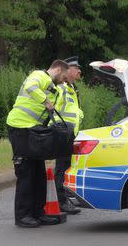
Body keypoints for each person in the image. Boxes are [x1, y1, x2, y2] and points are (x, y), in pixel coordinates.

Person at [6, 60, 69, 228]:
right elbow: (30, 87)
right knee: (26, 172)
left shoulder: (53, 88)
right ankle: (23, 216)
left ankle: (38, 213)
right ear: (57, 69)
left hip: (32, 130)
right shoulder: (39, 76)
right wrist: (45, 101)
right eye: (63, 76)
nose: (64, 80)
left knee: (39, 174)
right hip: (19, 127)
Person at [54, 56, 83, 215]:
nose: (79, 71)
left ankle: (64, 196)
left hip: (70, 133)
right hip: (63, 133)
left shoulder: (73, 88)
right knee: (62, 167)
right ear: (68, 70)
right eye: (77, 68)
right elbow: (53, 109)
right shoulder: (62, 88)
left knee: (66, 166)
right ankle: (61, 200)